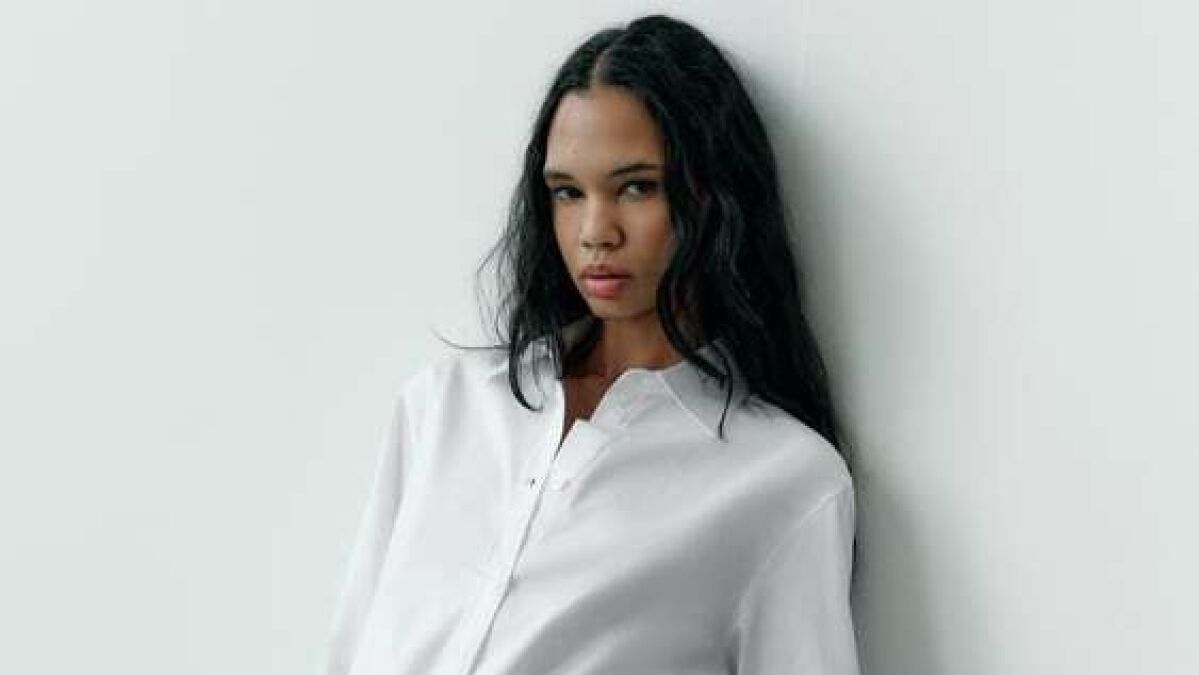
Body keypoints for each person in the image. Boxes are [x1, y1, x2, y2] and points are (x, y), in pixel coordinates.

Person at [325, 13, 860, 675]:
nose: (594, 231)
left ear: (713, 196)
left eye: (636, 187)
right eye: (567, 193)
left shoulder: (782, 481)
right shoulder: (443, 409)